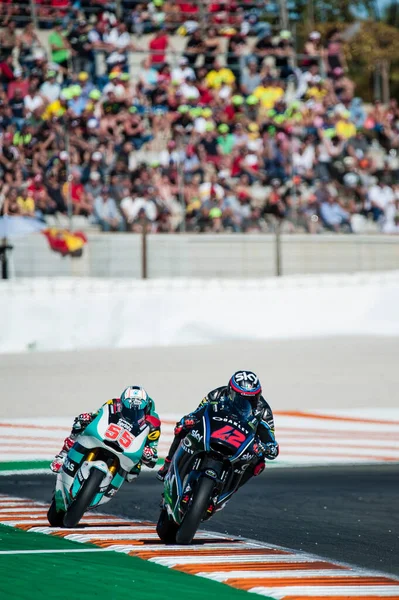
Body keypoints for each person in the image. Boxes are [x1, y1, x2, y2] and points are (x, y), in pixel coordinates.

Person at [157, 370, 279, 508]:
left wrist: (268, 447)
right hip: (215, 432)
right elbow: (199, 412)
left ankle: (226, 494)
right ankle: (168, 465)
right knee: (182, 428)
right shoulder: (217, 394)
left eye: (252, 398)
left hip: (241, 442)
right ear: (231, 392)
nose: (247, 402)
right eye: (241, 398)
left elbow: (269, 437)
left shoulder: (264, 410)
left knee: (259, 464)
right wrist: (189, 420)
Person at [50, 386, 161, 482]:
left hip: (130, 448)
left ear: (146, 410)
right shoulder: (113, 403)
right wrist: (89, 417)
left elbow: (153, 453)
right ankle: (63, 455)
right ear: (122, 404)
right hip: (108, 435)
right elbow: (99, 414)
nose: (133, 415)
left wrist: (149, 452)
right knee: (80, 423)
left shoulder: (153, 424)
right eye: (128, 410)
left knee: (132, 474)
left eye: (138, 412)